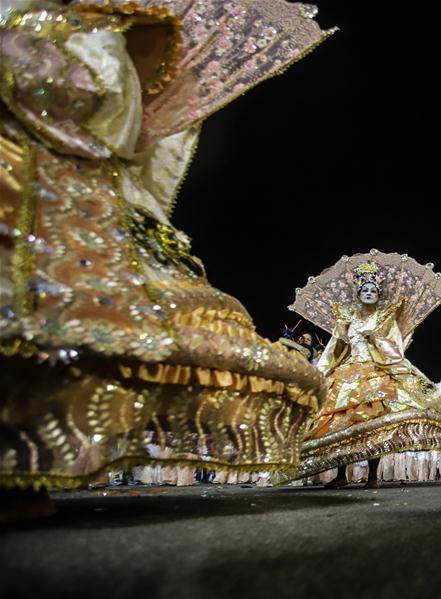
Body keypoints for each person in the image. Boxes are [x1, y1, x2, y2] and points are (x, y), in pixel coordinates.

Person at [0, 0, 329, 520]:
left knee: (62, 328)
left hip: (64, 191)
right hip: (50, 189)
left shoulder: (103, 34)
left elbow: (114, 117)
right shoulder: (70, 31)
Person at [290, 252, 441, 488]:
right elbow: (334, 349)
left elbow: (395, 348)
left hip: (377, 372)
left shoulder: (386, 318)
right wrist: (319, 373)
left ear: (378, 294)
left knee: (375, 425)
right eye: (365, 289)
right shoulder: (346, 320)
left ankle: (373, 475)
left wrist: (376, 339)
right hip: (349, 375)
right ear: (358, 294)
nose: (369, 293)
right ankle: (341, 475)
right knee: (344, 424)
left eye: (373, 290)